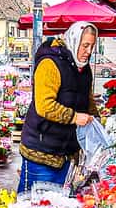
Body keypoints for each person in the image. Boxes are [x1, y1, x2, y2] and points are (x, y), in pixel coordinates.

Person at [18, 22, 99, 193]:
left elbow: (87, 99)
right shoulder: (50, 64)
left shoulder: (84, 70)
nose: (89, 51)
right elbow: (44, 106)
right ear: (74, 40)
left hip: (66, 154)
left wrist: (98, 121)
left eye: (92, 46)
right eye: (85, 45)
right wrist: (75, 117)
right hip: (41, 152)